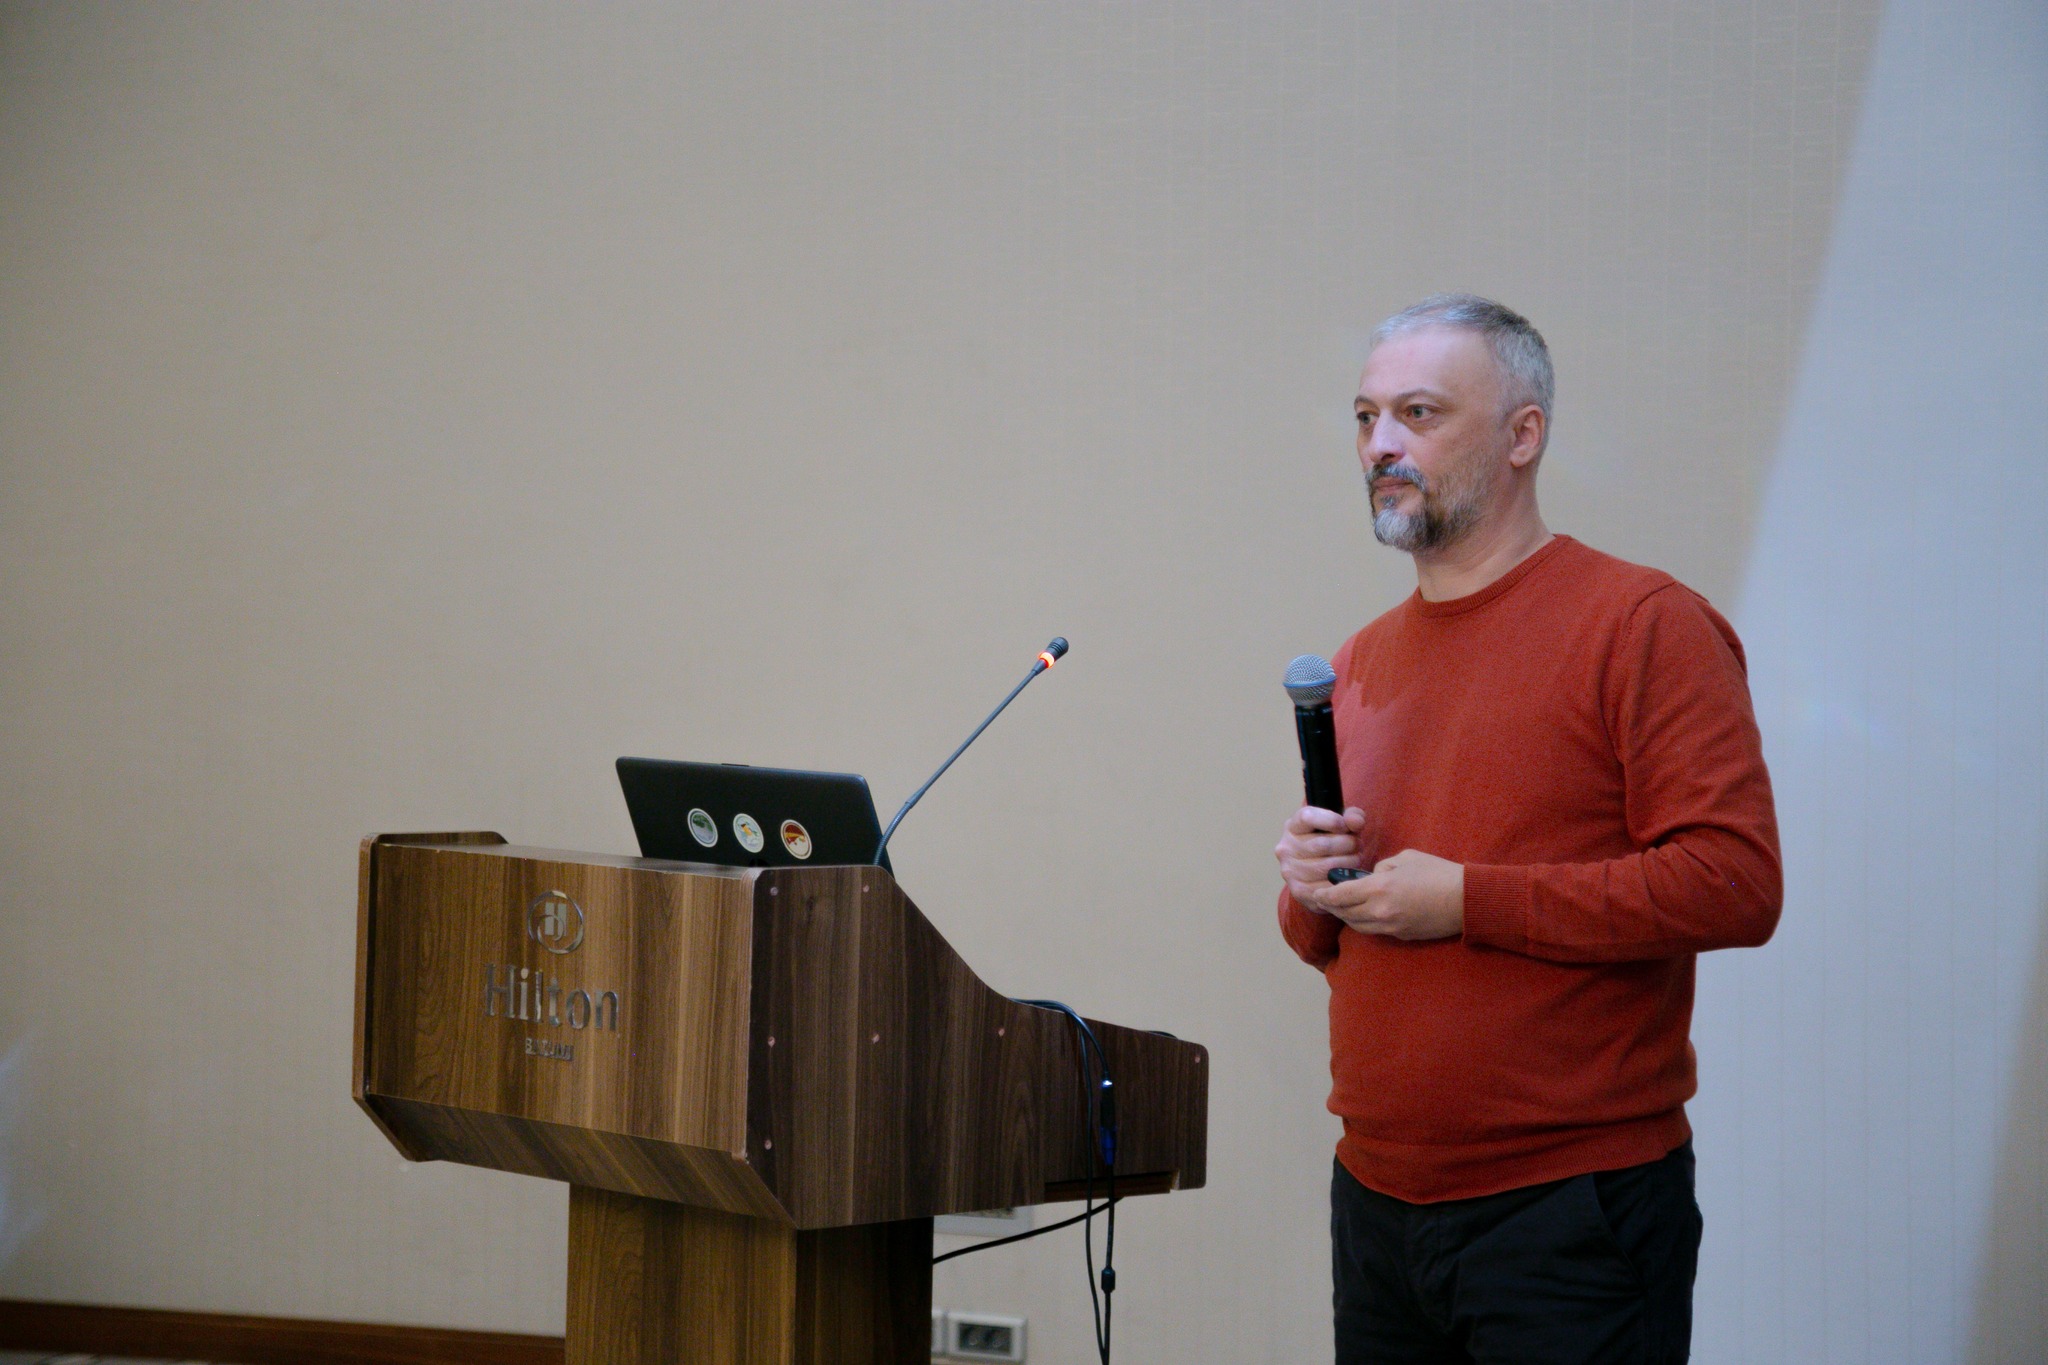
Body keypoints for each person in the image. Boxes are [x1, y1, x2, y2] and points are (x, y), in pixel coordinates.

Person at [1274, 294, 1782, 1364]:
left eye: (1418, 413)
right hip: (1375, 1201)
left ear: (1522, 434)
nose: (1379, 445)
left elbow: (1732, 883)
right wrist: (1308, 886)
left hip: (1568, 1213)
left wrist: (1470, 900)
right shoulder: (1359, 660)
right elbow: (1334, 935)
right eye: (1365, 417)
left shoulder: (1641, 626)